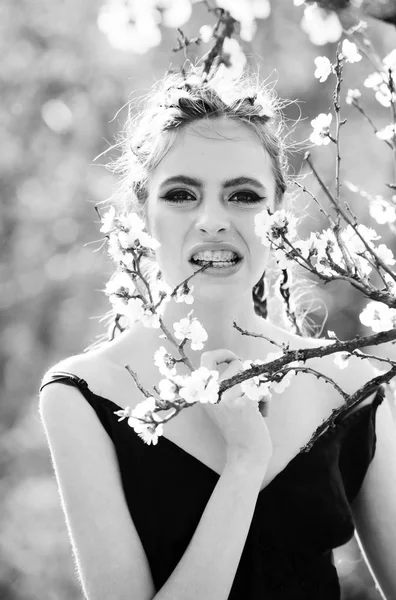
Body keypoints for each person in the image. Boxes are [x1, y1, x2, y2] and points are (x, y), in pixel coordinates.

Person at [38, 67, 396, 600]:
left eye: (243, 196)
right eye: (181, 194)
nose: (211, 220)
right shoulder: (85, 396)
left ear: (277, 214)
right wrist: (244, 462)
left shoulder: (349, 380)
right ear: (142, 213)